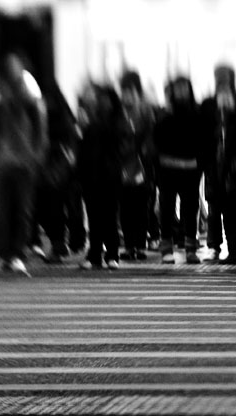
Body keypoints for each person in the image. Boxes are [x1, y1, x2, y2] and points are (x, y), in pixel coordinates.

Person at [0, 54, 47, 276]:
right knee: (3, 212)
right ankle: (3, 254)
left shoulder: (31, 94)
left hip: (24, 163)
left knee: (22, 212)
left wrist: (36, 156)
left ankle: (17, 254)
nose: (11, 69)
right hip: (4, 162)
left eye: (14, 65)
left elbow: (40, 129)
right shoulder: (1, 95)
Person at [200, 64, 236, 265]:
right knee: (223, 210)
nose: (222, 82)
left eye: (225, 77)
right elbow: (203, 135)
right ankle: (233, 251)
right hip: (215, 165)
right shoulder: (208, 104)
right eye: (219, 78)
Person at [77, 84, 127, 270]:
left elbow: (118, 143)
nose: (101, 102)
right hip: (91, 174)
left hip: (109, 175)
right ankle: (95, 254)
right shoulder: (88, 118)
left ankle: (112, 254)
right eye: (99, 98)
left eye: (105, 99)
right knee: (94, 216)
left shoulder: (116, 121)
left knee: (109, 216)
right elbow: (82, 147)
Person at [155, 75, 203, 264]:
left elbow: (202, 138)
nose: (181, 92)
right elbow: (157, 138)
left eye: (184, 88)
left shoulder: (196, 113)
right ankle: (166, 247)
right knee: (167, 207)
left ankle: (191, 247)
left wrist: (200, 162)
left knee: (190, 208)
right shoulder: (165, 114)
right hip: (168, 166)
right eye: (177, 88)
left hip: (190, 166)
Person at [34, 87, 79, 263]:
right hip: (54, 167)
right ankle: (59, 244)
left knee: (52, 207)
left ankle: (59, 245)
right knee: (52, 207)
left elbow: (67, 143)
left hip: (55, 166)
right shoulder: (60, 118)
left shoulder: (57, 119)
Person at [118, 70, 155, 261]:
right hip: (123, 165)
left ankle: (140, 245)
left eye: (130, 91)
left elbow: (151, 135)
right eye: (124, 92)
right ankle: (129, 245)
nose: (127, 96)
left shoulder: (145, 111)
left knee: (140, 208)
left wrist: (143, 150)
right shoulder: (118, 112)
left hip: (141, 165)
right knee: (125, 208)